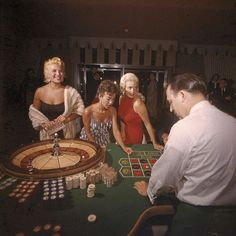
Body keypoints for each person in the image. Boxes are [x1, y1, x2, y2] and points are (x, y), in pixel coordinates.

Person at [134, 73, 236, 236]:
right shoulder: (232, 122)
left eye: (170, 102)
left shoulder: (184, 127)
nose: (171, 109)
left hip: (198, 218)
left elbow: (163, 177)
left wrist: (150, 190)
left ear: (182, 95)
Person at [29, 57, 84, 140]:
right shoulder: (39, 92)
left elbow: (80, 110)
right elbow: (35, 114)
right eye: (54, 71)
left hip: (67, 135)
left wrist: (67, 118)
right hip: (47, 136)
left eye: (61, 71)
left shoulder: (71, 92)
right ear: (47, 73)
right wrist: (43, 124)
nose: (58, 74)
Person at [80, 80, 132, 154]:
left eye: (113, 99)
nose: (111, 102)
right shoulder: (88, 111)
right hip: (89, 140)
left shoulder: (113, 110)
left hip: (104, 139)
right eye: (108, 99)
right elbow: (87, 133)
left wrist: (124, 147)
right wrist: (97, 148)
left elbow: (116, 130)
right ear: (100, 96)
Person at [118, 73, 162, 150]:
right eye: (130, 87)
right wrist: (122, 131)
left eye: (136, 87)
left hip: (135, 137)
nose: (133, 91)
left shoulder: (138, 103)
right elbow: (122, 117)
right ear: (123, 88)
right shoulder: (122, 98)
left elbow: (147, 124)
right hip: (124, 135)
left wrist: (154, 143)